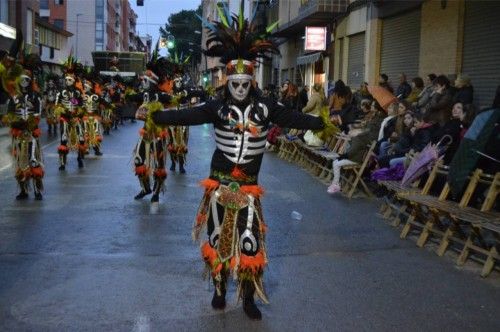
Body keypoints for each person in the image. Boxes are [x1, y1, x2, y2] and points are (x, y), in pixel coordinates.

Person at [137, 8, 332, 320]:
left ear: (251, 81)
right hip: (219, 184)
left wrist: (321, 122)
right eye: (234, 82)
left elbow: (295, 118)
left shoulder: (268, 107)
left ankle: (250, 296)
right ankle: (218, 289)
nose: (239, 88)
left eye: (244, 83)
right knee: (218, 239)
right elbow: (185, 115)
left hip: (249, 189)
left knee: (251, 242)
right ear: (227, 81)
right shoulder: (215, 107)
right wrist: (156, 115)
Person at [1, 38, 44, 200]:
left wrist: (31, 123)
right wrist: (12, 120)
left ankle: (37, 190)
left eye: (27, 79)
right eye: (22, 79)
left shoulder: (35, 98)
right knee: (20, 162)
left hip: (31, 133)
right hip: (19, 133)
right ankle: (23, 190)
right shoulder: (14, 98)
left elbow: (38, 114)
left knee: (34, 160)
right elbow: (10, 114)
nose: (24, 82)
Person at [127, 56, 172, 203]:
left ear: (152, 81)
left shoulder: (161, 95)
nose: (143, 82)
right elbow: (132, 97)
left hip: (158, 135)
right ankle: (145, 188)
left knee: (159, 165)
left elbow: (173, 100)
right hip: (145, 133)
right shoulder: (144, 95)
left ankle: (156, 192)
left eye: (145, 80)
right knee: (139, 160)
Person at [327, 101, 385, 194]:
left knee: (336, 163)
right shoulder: (372, 120)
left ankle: (336, 184)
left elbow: (353, 150)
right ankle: (336, 184)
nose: (371, 106)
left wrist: (345, 155)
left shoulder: (362, 136)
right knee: (336, 161)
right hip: (355, 155)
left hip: (355, 158)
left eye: (373, 105)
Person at [54, 56, 86, 170]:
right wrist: (61, 109)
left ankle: (80, 158)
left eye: (70, 79)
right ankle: (62, 162)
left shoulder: (78, 92)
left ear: (74, 80)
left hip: (76, 118)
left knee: (81, 137)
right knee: (63, 138)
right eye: (66, 79)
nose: (68, 81)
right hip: (65, 119)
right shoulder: (61, 92)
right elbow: (56, 104)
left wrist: (79, 112)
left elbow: (82, 104)